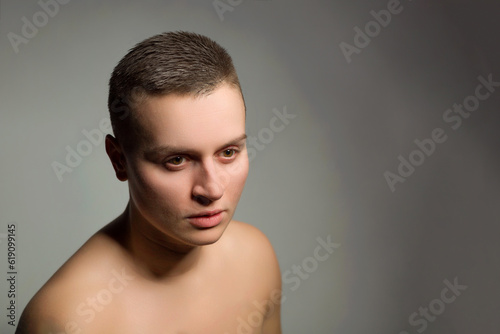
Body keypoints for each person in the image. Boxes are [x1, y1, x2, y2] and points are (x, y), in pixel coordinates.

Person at [16, 31, 282, 334]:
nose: (212, 189)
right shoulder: (64, 320)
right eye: (177, 160)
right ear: (119, 160)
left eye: (228, 152)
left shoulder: (256, 258)